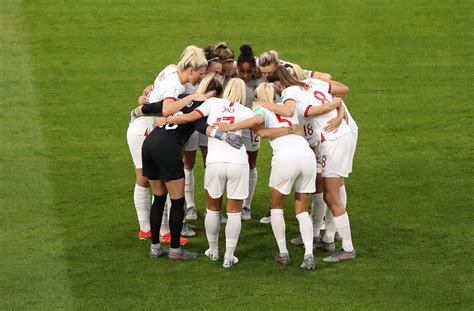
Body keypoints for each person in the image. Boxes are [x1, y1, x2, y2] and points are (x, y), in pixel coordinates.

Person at [216, 82, 340, 269]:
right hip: (306, 155)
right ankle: (308, 255)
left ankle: (283, 253)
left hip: (284, 158)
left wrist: (233, 126)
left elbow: (259, 125)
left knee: (276, 207)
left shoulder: (260, 110)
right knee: (302, 209)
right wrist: (289, 130)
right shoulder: (288, 108)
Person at [260, 65, 357, 262]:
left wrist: (260, 103)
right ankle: (329, 239)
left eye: (275, 88)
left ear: (278, 83)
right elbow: (340, 96)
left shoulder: (289, 91)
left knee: (331, 195)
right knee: (334, 190)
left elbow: (292, 111)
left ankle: (347, 247)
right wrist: (337, 112)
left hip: (333, 141)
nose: (277, 93)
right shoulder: (312, 83)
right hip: (341, 135)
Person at [155, 78, 251, 267]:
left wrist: (167, 119)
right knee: (234, 212)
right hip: (238, 162)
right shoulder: (247, 111)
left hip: (214, 161)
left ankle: (213, 250)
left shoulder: (213, 103)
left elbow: (190, 118)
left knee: (212, 209)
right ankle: (229, 257)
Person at [139, 46, 211, 260]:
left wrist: (142, 105)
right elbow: (171, 110)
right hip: (167, 149)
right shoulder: (192, 99)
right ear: (191, 69)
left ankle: (154, 247)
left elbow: (160, 110)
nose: (201, 77)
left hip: (150, 143)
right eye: (200, 73)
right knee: (177, 201)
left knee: (158, 198)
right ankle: (176, 250)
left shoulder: (178, 85)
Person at [235, 44, 262, 220]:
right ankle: (235, 201)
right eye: (242, 72)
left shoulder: (261, 81)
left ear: (255, 69)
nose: (245, 76)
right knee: (236, 163)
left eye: (249, 72)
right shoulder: (232, 77)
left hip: (252, 127)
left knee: (251, 162)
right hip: (235, 126)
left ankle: (247, 206)